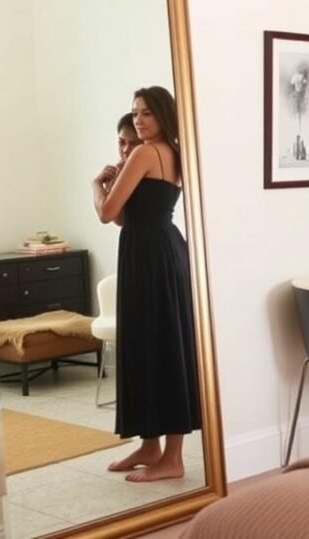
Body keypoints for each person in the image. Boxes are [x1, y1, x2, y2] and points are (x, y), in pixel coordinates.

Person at [92, 86, 201, 482]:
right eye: (135, 113)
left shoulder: (144, 153)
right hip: (162, 251)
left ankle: (172, 458)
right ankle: (151, 446)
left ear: (163, 116)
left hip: (149, 256)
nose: (138, 120)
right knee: (157, 345)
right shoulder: (172, 152)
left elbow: (108, 213)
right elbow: (129, 217)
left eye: (147, 114)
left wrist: (97, 185)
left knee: (159, 348)